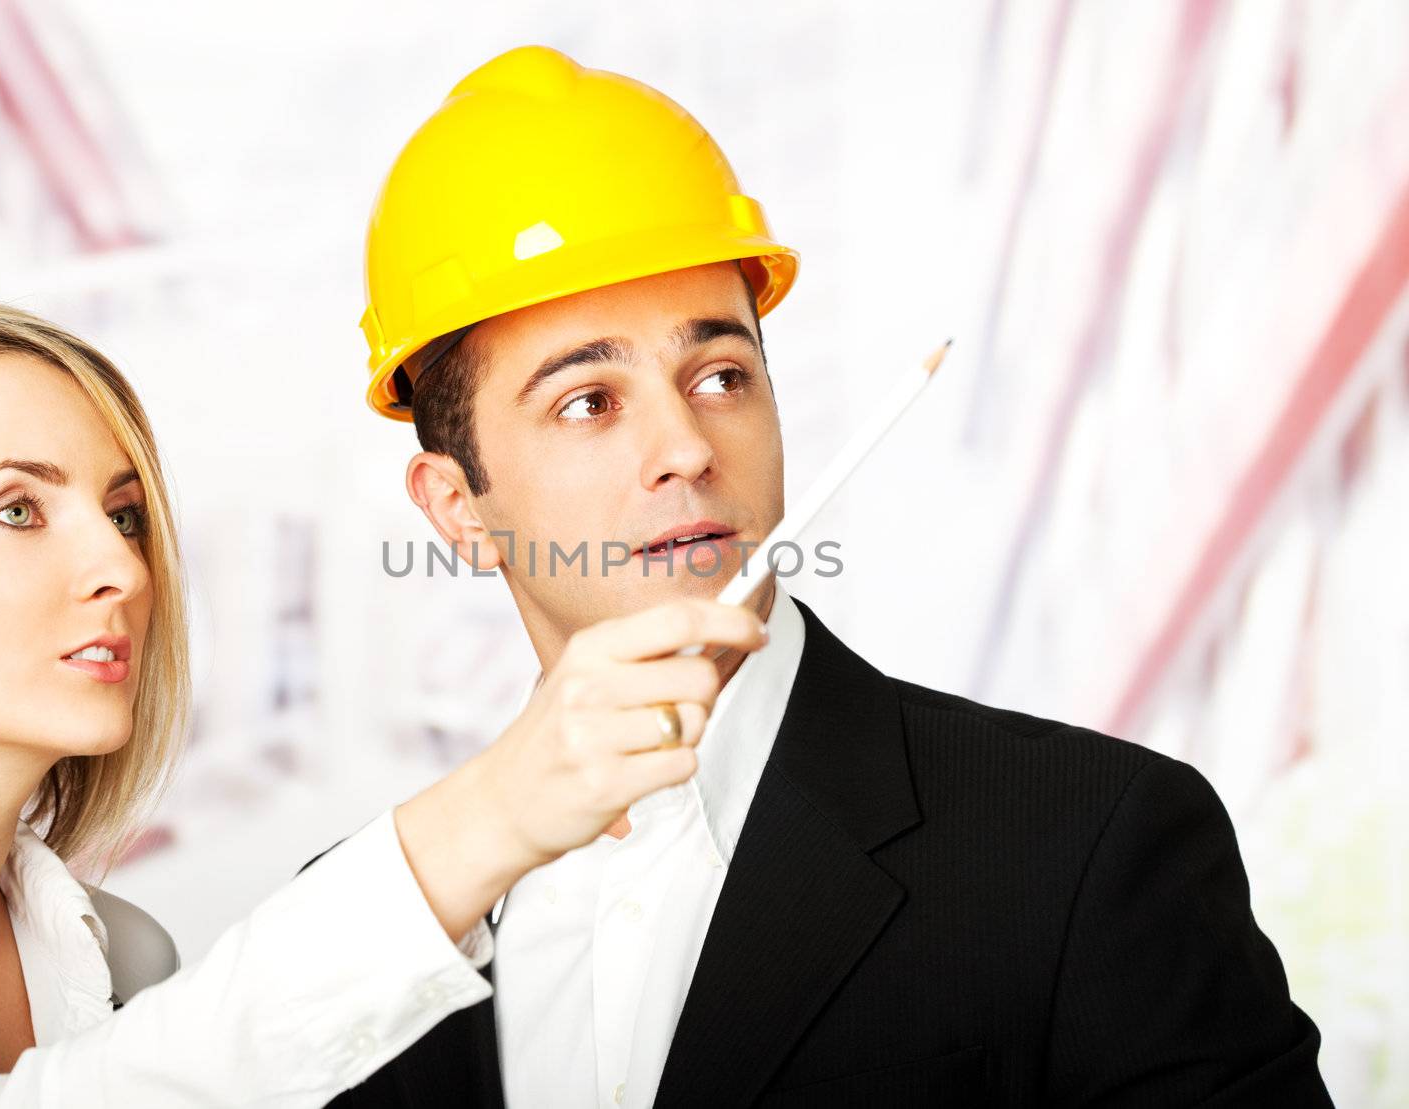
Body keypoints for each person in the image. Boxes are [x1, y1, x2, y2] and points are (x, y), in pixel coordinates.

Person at [320, 46, 1332, 1107]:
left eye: (719, 376)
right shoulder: (356, 930)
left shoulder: (1084, 846)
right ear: (454, 507)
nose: (686, 447)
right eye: (589, 402)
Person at [0, 297, 767, 1106]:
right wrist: (492, 815)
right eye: (17, 509)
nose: (122, 568)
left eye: (126, 514)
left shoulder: (123, 961)